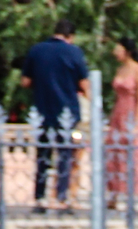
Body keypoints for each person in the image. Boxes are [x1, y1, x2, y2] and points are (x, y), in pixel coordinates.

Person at [19, 17, 88, 212]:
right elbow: (84, 84)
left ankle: (40, 197)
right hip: (67, 112)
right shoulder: (74, 52)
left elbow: (25, 81)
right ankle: (62, 197)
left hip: (43, 110)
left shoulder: (36, 50)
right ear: (70, 36)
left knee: (43, 156)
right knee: (65, 156)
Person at [104, 39, 138, 208]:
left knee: (133, 154)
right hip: (119, 111)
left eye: (118, 48)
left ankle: (133, 194)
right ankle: (115, 193)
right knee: (115, 153)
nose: (115, 51)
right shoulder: (120, 69)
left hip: (132, 111)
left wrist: (137, 122)